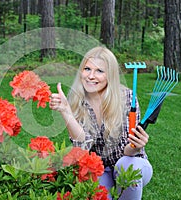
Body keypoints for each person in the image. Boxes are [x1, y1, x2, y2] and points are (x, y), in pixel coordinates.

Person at [49, 46, 153, 199]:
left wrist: (136, 146)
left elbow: (127, 152)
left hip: (131, 161)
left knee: (126, 165)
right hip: (99, 168)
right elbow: (82, 147)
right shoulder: (77, 100)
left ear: (110, 75)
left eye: (99, 71)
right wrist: (66, 111)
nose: (91, 76)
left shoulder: (127, 98)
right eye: (87, 69)